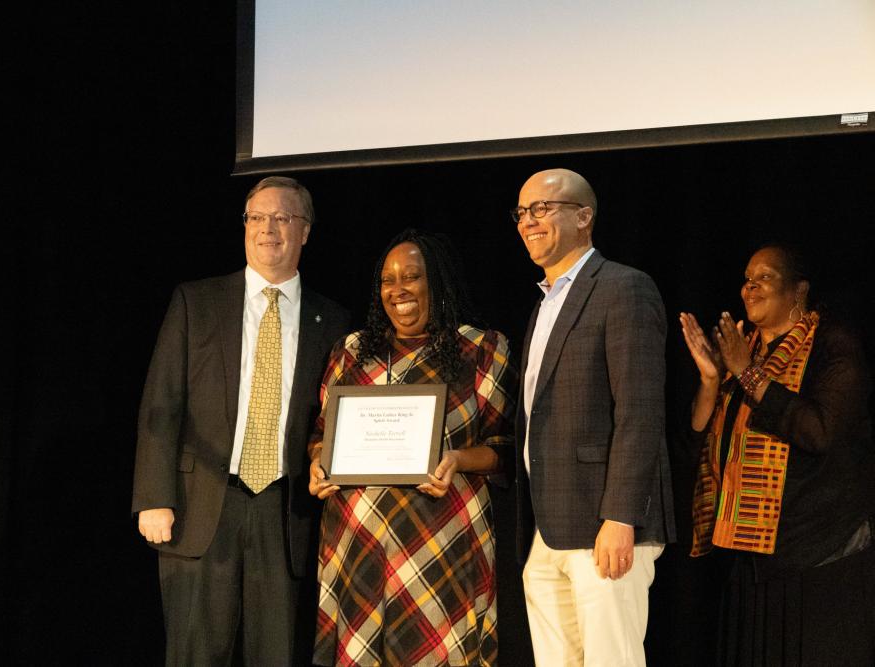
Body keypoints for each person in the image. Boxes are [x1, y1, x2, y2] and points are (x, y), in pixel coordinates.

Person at [131, 176, 350, 665]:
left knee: (277, 655)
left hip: (286, 512)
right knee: (194, 654)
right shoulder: (197, 301)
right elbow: (161, 401)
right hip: (201, 507)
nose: (267, 229)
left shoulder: (332, 321)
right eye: (256, 217)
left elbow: (334, 419)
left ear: (306, 231)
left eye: (282, 218)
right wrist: (154, 497)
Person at [307, 228, 517, 666]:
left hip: (443, 541)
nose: (398, 290)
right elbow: (321, 437)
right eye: (388, 279)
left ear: (436, 282)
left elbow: (503, 447)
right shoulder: (350, 352)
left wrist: (457, 459)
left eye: (412, 277)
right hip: (358, 544)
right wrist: (318, 466)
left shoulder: (480, 351)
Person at [680, 244, 875, 666]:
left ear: (798, 289)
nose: (749, 287)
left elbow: (819, 431)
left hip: (818, 560)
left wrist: (748, 373)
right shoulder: (743, 351)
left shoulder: (833, 346)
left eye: (763, 277)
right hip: (750, 560)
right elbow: (695, 447)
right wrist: (713, 380)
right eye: (747, 278)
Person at [513, 168, 675, 666]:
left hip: (605, 523)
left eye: (542, 208)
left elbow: (640, 410)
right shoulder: (545, 303)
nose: (528, 221)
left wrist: (621, 516)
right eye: (522, 212)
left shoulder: (624, 287)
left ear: (584, 217)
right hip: (552, 525)